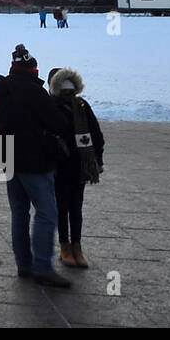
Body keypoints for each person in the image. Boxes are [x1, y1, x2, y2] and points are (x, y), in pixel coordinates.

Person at [0, 44, 72, 287]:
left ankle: (24, 265)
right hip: (34, 162)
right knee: (47, 213)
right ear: (32, 69)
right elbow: (58, 124)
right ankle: (43, 267)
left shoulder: (3, 89)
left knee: (19, 214)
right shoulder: (35, 92)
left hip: (10, 159)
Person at [49, 67, 104, 270]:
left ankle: (74, 247)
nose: (68, 95)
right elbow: (97, 136)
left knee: (71, 208)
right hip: (68, 167)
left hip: (73, 167)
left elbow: (96, 135)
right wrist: (96, 159)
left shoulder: (80, 107)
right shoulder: (58, 107)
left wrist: (96, 158)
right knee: (67, 208)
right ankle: (68, 247)